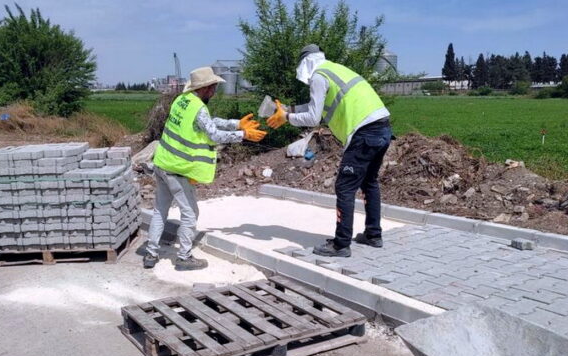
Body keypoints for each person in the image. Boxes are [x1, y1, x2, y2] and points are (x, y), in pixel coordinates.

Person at [267, 44, 393, 258]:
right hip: (382, 128)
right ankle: (373, 235)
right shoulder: (335, 70)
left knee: (344, 187)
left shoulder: (318, 76)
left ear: (305, 63)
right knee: (369, 182)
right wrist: (288, 109)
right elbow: (316, 105)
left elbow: (313, 118)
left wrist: (286, 118)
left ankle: (341, 244)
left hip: (363, 133)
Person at [145, 67, 267, 270]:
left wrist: (236, 124)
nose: (215, 91)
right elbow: (213, 135)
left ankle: (150, 254)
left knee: (160, 211)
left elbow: (207, 123)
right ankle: (184, 258)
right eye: (213, 87)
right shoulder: (198, 107)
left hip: (162, 163)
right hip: (177, 169)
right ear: (206, 88)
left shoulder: (183, 101)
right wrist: (243, 135)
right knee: (190, 213)